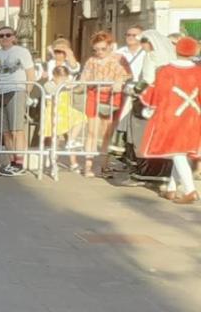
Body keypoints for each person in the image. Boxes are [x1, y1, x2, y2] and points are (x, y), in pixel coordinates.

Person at [139, 35, 201, 203]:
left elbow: (158, 94)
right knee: (180, 152)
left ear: (176, 49)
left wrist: (149, 106)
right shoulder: (198, 71)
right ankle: (172, 189)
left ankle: (190, 190)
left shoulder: (167, 71)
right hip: (193, 116)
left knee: (177, 151)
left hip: (172, 116)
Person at [81, 30, 131, 178]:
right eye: (96, 49)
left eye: (103, 48)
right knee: (91, 132)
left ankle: (103, 165)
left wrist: (119, 81)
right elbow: (84, 76)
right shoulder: (91, 61)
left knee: (107, 132)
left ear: (110, 46)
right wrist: (81, 82)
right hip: (94, 95)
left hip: (112, 97)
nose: (99, 52)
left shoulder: (119, 58)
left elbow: (128, 74)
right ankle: (88, 165)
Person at [0, 26, 34, 173]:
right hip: (0, 91)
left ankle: (20, 162)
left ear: (14, 37)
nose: (4, 38)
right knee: (5, 131)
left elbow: (30, 73)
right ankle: (12, 161)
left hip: (16, 90)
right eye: (1, 36)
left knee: (17, 129)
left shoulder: (22, 52)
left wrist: (27, 92)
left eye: (8, 35)